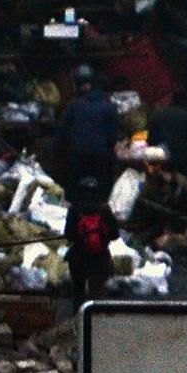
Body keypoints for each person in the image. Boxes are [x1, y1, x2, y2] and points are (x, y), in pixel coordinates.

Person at [54, 65, 123, 187]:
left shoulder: (73, 106)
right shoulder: (109, 106)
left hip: (77, 158)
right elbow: (113, 137)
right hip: (100, 158)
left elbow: (61, 135)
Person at [64, 175, 119, 308]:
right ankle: (95, 324)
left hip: (78, 259)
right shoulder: (104, 209)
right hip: (100, 259)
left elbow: (69, 234)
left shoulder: (75, 209)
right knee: (97, 295)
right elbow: (115, 234)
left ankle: (78, 322)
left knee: (79, 293)